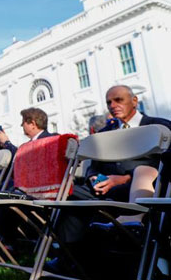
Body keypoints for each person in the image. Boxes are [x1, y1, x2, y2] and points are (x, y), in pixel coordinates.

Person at [47, 85, 171, 274]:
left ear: (134, 101)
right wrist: (93, 177)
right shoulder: (105, 132)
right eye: (108, 102)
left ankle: (78, 261)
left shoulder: (158, 125)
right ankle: (68, 258)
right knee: (70, 195)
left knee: (141, 173)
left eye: (118, 100)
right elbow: (93, 166)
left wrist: (123, 179)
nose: (112, 105)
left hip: (140, 186)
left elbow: (165, 162)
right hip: (103, 189)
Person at [0, 107, 56, 198]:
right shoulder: (27, 145)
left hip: (39, 189)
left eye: (23, 122)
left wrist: (7, 142)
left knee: (4, 195)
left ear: (32, 124)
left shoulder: (52, 140)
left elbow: (22, 158)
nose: (21, 125)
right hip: (23, 186)